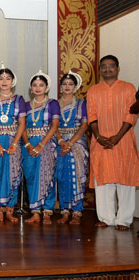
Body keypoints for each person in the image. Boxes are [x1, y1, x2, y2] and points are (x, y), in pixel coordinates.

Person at [87, 55, 139, 231]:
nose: (107, 69)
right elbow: (91, 115)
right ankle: (106, 218)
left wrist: (117, 137)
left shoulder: (128, 88)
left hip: (123, 140)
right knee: (103, 180)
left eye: (111, 66)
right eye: (104, 66)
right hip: (100, 140)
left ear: (118, 69)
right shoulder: (93, 90)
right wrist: (99, 136)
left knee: (125, 180)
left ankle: (124, 220)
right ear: (100, 70)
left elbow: (131, 115)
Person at [0, 66, 26, 223]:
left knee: (13, 174)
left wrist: (15, 143)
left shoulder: (19, 99)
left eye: (8, 78)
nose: (4, 81)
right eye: (1, 78)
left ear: (12, 81)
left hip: (13, 142)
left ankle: (9, 209)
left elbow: (22, 123)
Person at [21, 71, 60, 224]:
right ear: (31, 88)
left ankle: (47, 212)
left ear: (46, 87)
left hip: (47, 144)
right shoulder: (25, 105)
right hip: (29, 145)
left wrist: (41, 144)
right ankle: (35, 212)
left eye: (41, 85)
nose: (38, 88)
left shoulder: (53, 104)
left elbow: (55, 125)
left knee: (47, 176)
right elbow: (22, 126)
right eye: (35, 85)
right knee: (31, 177)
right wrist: (28, 144)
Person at [54, 71, 88, 224]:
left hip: (77, 142)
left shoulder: (81, 103)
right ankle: (65, 211)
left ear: (76, 87)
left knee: (76, 175)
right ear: (60, 87)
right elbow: (52, 125)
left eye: (70, 84)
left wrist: (71, 142)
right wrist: (61, 140)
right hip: (59, 142)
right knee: (62, 176)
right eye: (64, 84)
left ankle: (77, 212)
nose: (67, 86)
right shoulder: (54, 104)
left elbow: (84, 125)